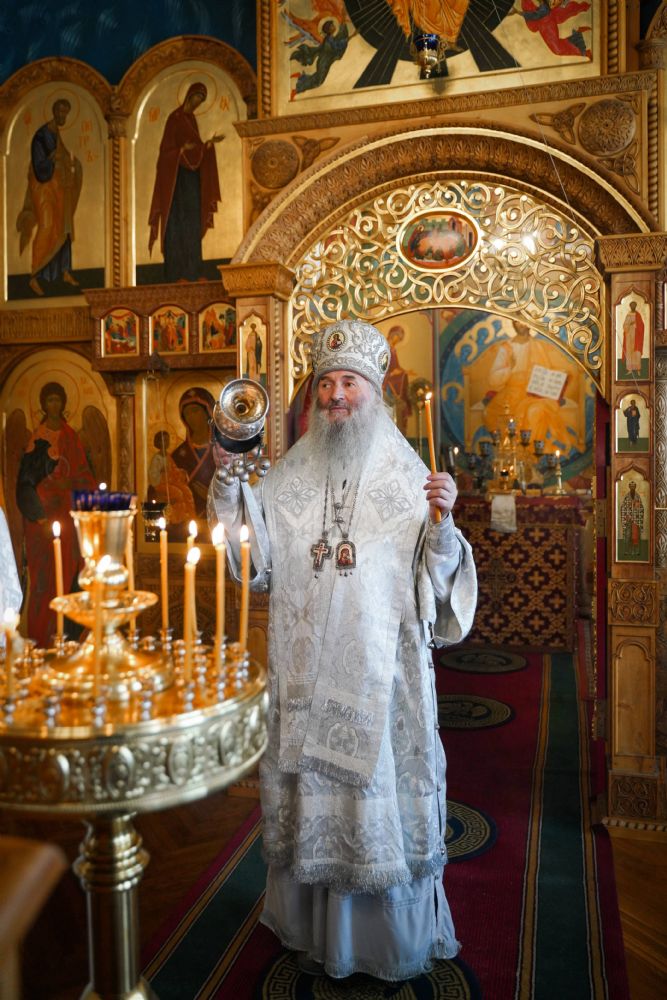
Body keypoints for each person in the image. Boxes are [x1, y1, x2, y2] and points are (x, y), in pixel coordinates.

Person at [208, 319, 477, 981]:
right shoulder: (290, 477)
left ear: (374, 391)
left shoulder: (408, 477)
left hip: (380, 679)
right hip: (303, 673)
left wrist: (444, 527)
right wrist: (228, 489)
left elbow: (437, 585)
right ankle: (310, 930)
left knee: (373, 800)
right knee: (313, 801)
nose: (335, 395)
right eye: (326, 383)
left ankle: (382, 943)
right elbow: (255, 564)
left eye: (349, 382)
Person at [16, 381, 96, 646]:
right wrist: (40, 516)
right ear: (43, 405)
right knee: (46, 582)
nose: (54, 404)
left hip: (70, 517)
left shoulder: (71, 435)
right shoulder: (38, 439)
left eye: (57, 399)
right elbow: (25, 484)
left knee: (72, 575)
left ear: (63, 403)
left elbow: (84, 474)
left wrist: (73, 486)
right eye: (49, 400)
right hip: (45, 522)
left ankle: (70, 637)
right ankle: (43, 640)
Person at [147, 82, 224, 283]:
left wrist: (207, 145)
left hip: (191, 181)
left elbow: (195, 150)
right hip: (176, 182)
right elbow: (165, 153)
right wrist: (180, 150)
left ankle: (193, 271)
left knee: (192, 223)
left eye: (202, 100)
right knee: (177, 223)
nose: (198, 103)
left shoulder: (191, 120)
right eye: (198, 98)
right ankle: (176, 272)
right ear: (190, 96)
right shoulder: (175, 119)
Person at [16, 98, 83, 297]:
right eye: (61, 112)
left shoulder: (57, 135)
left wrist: (73, 165)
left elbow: (65, 158)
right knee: (46, 226)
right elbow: (39, 166)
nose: (63, 116)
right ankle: (34, 274)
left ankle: (64, 272)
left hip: (59, 188)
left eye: (66, 113)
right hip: (43, 188)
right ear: (54, 112)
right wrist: (53, 160)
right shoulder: (41, 136)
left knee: (64, 227)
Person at [620, 480, 644, 559]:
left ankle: (636, 551)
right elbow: (623, 507)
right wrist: (627, 516)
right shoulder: (627, 497)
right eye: (631, 486)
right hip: (628, 520)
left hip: (636, 521)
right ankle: (627, 551)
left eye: (634, 487)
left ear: (635, 487)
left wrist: (637, 511)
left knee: (636, 536)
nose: (632, 488)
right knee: (627, 536)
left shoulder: (637, 497)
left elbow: (641, 508)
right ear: (629, 487)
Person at [621, 300, 645, 376]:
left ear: (635, 306)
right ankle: (630, 369)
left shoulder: (638, 315)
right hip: (629, 335)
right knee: (629, 352)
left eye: (634, 306)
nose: (633, 307)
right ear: (630, 306)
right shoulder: (628, 315)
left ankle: (638, 369)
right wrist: (629, 325)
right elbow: (624, 325)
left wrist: (637, 325)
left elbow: (642, 325)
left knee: (636, 352)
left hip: (636, 336)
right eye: (631, 306)